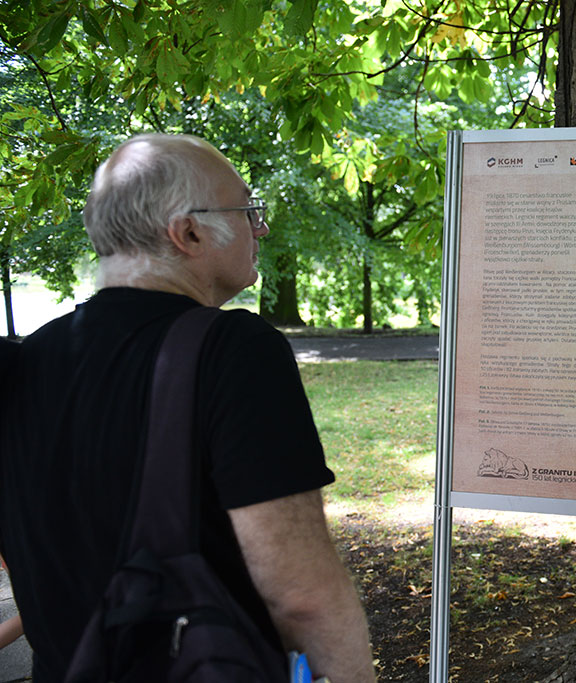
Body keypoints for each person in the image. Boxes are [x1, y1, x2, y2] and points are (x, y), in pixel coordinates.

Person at [0, 134, 375, 682]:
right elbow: (302, 596)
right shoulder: (233, 349)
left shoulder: (26, 362)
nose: (261, 227)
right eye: (248, 210)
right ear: (189, 232)